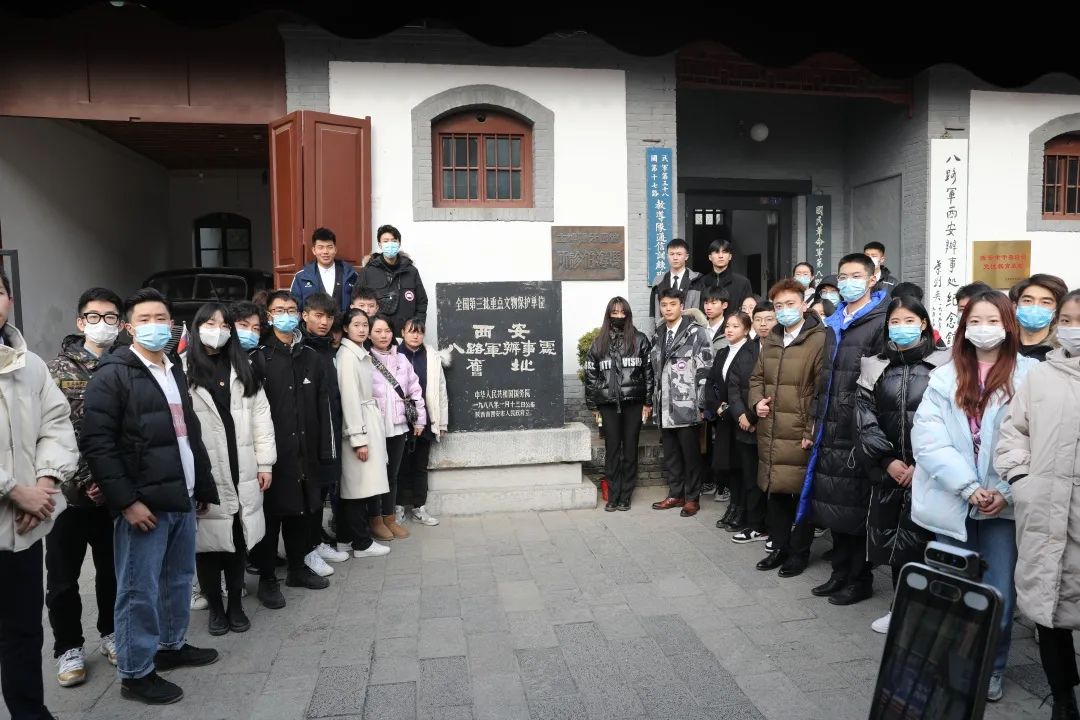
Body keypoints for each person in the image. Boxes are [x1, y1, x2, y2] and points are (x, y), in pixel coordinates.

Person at [81, 288, 219, 705]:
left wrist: (201, 485)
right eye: (145, 319)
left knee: (177, 579)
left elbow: (187, 432)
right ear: (129, 327)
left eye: (161, 318)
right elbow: (98, 444)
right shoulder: (112, 374)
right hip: (143, 504)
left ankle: (171, 646)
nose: (155, 326)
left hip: (181, 494)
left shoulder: (173, 369)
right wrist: (126, 502)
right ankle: (136, 672)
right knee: (137, 590)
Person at [911, 289, 1037, 703]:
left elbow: (1036, 441)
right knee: (951, 588)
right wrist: (967, 486)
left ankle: (992, 667)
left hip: (1004, 505)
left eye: (993, 321)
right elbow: (928, 440)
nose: (984, 329)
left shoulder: (1030, 375)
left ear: (1009, 326)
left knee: (999, 590)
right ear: (964, 328)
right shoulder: (944, 376)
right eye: (975, 322)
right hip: (953, 499)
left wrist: (1005, 491)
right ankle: (952, 665)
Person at [996, 288, 1080, 718]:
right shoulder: (1041, 375)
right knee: (1048, 608)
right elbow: (1014, 432)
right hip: (1044, 510)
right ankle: (1063, 696)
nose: (1072, 328)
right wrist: (1021, 479)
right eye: (1067, 320)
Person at [0, 270, 78, 719]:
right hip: (16, 507)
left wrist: (46, 485)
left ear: (9, 299)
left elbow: (57, 425)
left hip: (24, 531)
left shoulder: (30, 365)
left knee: (24, 633)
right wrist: (13, 490)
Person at [855, 295, 947, 635]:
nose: (902, 327)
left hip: (933, 471)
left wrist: (924, 464)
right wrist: (887, 460)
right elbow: (864, 417)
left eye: (910, 321)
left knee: (931, 542)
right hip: (890, 471)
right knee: (898, 543)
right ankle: (900, 609)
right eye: (895, 321)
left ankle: (934, 613)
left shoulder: (944, 364)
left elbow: (951, 419)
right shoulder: (874, 366)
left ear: (923, 324)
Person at [800, 253, 889, 605]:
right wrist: (814, 420)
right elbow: (824, 378)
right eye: (842, 276)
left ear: (872, 279)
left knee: (856, 507)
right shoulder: (835, 321)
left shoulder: (880, 321)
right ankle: (839, 572)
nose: (848, 282)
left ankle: (859, 579)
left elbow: (879, 380)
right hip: (829, 426)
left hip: (857, 427)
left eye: (855, 276)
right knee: (833, 504)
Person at [45, 287, 122, 688]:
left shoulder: (126, 365)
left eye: (110, 317)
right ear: (80, 322)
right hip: (67, 497)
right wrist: (82, 480)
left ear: (120, 323)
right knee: (62, 579)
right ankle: (68, 647)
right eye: (94, 317)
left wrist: (111, 482)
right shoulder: (56, 369)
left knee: (113, 571)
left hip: (114, 496)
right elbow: (51, 432)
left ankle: (112, 632)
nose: (102, 324)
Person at [186, 303, 275, 637]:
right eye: (210, 323)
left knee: (237, 539)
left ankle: (236, 605)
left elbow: (262, 419)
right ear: (196, 328)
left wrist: (265, 463)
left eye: (224, 325)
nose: (218, 330)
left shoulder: (243, 367)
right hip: (206, 471)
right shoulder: (182, 371)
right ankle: (215, 608)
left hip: (242, 466)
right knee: (209, 544)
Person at [250, 290, 333, 610]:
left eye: (291, 309)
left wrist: (325, 452)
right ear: (269, 316)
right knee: (272, 516)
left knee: (302, 511)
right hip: (275, 452)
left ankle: (298, 568)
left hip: (305, 450)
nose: (286, 315)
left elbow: (323, 405)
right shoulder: (259, 358)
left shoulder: (310, 356)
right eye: (279, 310)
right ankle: (268, 578)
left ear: (299, 315)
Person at [749, 279, 825, 577]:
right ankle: (779, 547)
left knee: (801, 494)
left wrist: (811, 430)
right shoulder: (771, 338)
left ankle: (799, 552)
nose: (784, 310)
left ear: (804, 305)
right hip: (771, 428)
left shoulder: (819, 340)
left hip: (799, 429)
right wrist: (757, 402)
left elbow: (821, 390)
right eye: (778, 306)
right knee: (776, 491)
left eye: (790, 304)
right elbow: (757, 378)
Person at [584, 298, 654, 511]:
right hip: (608, 404)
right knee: (612, 449)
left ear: (628, 315)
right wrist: (593, 406)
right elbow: (591, 376)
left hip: (634, 402)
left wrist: (648, 402)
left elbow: (649, 373)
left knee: (630, 449)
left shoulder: (640, 340)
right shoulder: (598, 342)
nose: (618, 316)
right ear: (608, 315)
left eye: (622, 312)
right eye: (614, 312)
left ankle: (626, 495)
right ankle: (613, 495)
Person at [650, 288, 714, 516]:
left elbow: (706, 369)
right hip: (664, 407)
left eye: (673, 304)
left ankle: (692, 498)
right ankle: (675, 494)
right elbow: (655, 372)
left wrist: (702, 404)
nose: (668, 309)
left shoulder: (696, 333)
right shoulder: (658, 334)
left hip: (687, 405)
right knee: (671, 455)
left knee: (691, 456)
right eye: (664, 305)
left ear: (682, 306)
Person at [335, 309, 392, 558]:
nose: (362, 329)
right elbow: (349, 399)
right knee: (357, 488)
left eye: (365, 325)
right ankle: (361, 543)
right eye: (356, 325)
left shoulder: (357, 353)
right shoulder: (348, 356)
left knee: (359, 486)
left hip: (366, 421)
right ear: (345, 328)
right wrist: (359, 440)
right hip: (359, 426)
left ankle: (346, 539)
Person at [300, 292, 350, 572]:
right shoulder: (301, 348)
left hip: (329, 430)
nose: (324, 322)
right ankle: (306, 550)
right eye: (318, 316)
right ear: (305, 315)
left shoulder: (328, 348)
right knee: (308, 494)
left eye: (329, 317)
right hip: (308, 433)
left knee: (322, 490)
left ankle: (316, 541)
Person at [367, 315, 427, 540]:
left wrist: (419, 420)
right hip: (375, 428)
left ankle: (389, 518)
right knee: (375, 476)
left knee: (392, 475)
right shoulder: (364, 358)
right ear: (369, 334)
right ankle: (375, 520)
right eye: (378, 331)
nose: (383, 335)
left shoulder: (401, 359)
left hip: (398, 426)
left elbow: (415, 390)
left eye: (387, 331)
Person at [712, 312, 766, 542]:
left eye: (735, 326)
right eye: (728, 326)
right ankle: (734, 507)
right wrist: (717, 406)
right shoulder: (723, 352)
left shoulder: (751, 351)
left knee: (746, 470)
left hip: (744, 419)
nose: (729, 329)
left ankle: (744, 512)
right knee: (732, 467)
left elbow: (750, 387)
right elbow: (713, 382)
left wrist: (745, 415)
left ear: (746, 329)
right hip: (727, 417)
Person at [398, 317, 449, 525]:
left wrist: (442, 422)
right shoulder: (393, 353)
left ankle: (419, 508)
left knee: (420, 466)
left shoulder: (432, 357)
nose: (416, 335)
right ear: (403, 332)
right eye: (411, 331)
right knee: (399, 467)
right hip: (398, 421)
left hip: (425, 420)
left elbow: (441, 390)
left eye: (419, 332)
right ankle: (397, 507)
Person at [356, 225, 429, 335]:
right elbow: (357, 300)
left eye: (394, 241)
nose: (390, 244)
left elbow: (421, 302)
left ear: (399, 243)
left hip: (406, 334)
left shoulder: (411, 271)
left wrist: (417, 327)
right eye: (385, 241)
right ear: (380, 244)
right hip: (378, 335)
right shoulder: (368, 271)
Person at [290, 227, 359, 315]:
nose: (325, 251)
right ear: (314, 250)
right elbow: (294, 308)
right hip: (312, 324)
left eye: (329, 247)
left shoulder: (351, 275)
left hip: (344, 323)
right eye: (321, 247)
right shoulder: (301, 277)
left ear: (335, 249)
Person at [1010, 273, 1067, 361]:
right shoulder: (1001, 346)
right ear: (1015, 307)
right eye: (1027, 300)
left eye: (1045, 302)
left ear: (1057, 311)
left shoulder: (1063, 352)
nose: (1035, 308)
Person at [650, 239, 701, 324]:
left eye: (679, 254)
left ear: (686, 256)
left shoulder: (697, 280)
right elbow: (652, 313)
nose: (675, 258)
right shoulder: (658, 282)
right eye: (672, 254)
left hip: (690, 328)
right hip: (664, 329)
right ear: (667, 256)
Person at [698, 237, 753, 315]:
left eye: (724, 252)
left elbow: (747, 311)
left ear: (730, 256)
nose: (721, 256)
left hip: (734, 322)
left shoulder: (742, 282)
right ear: (710, 257)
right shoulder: (702, 281)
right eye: (716, 252)